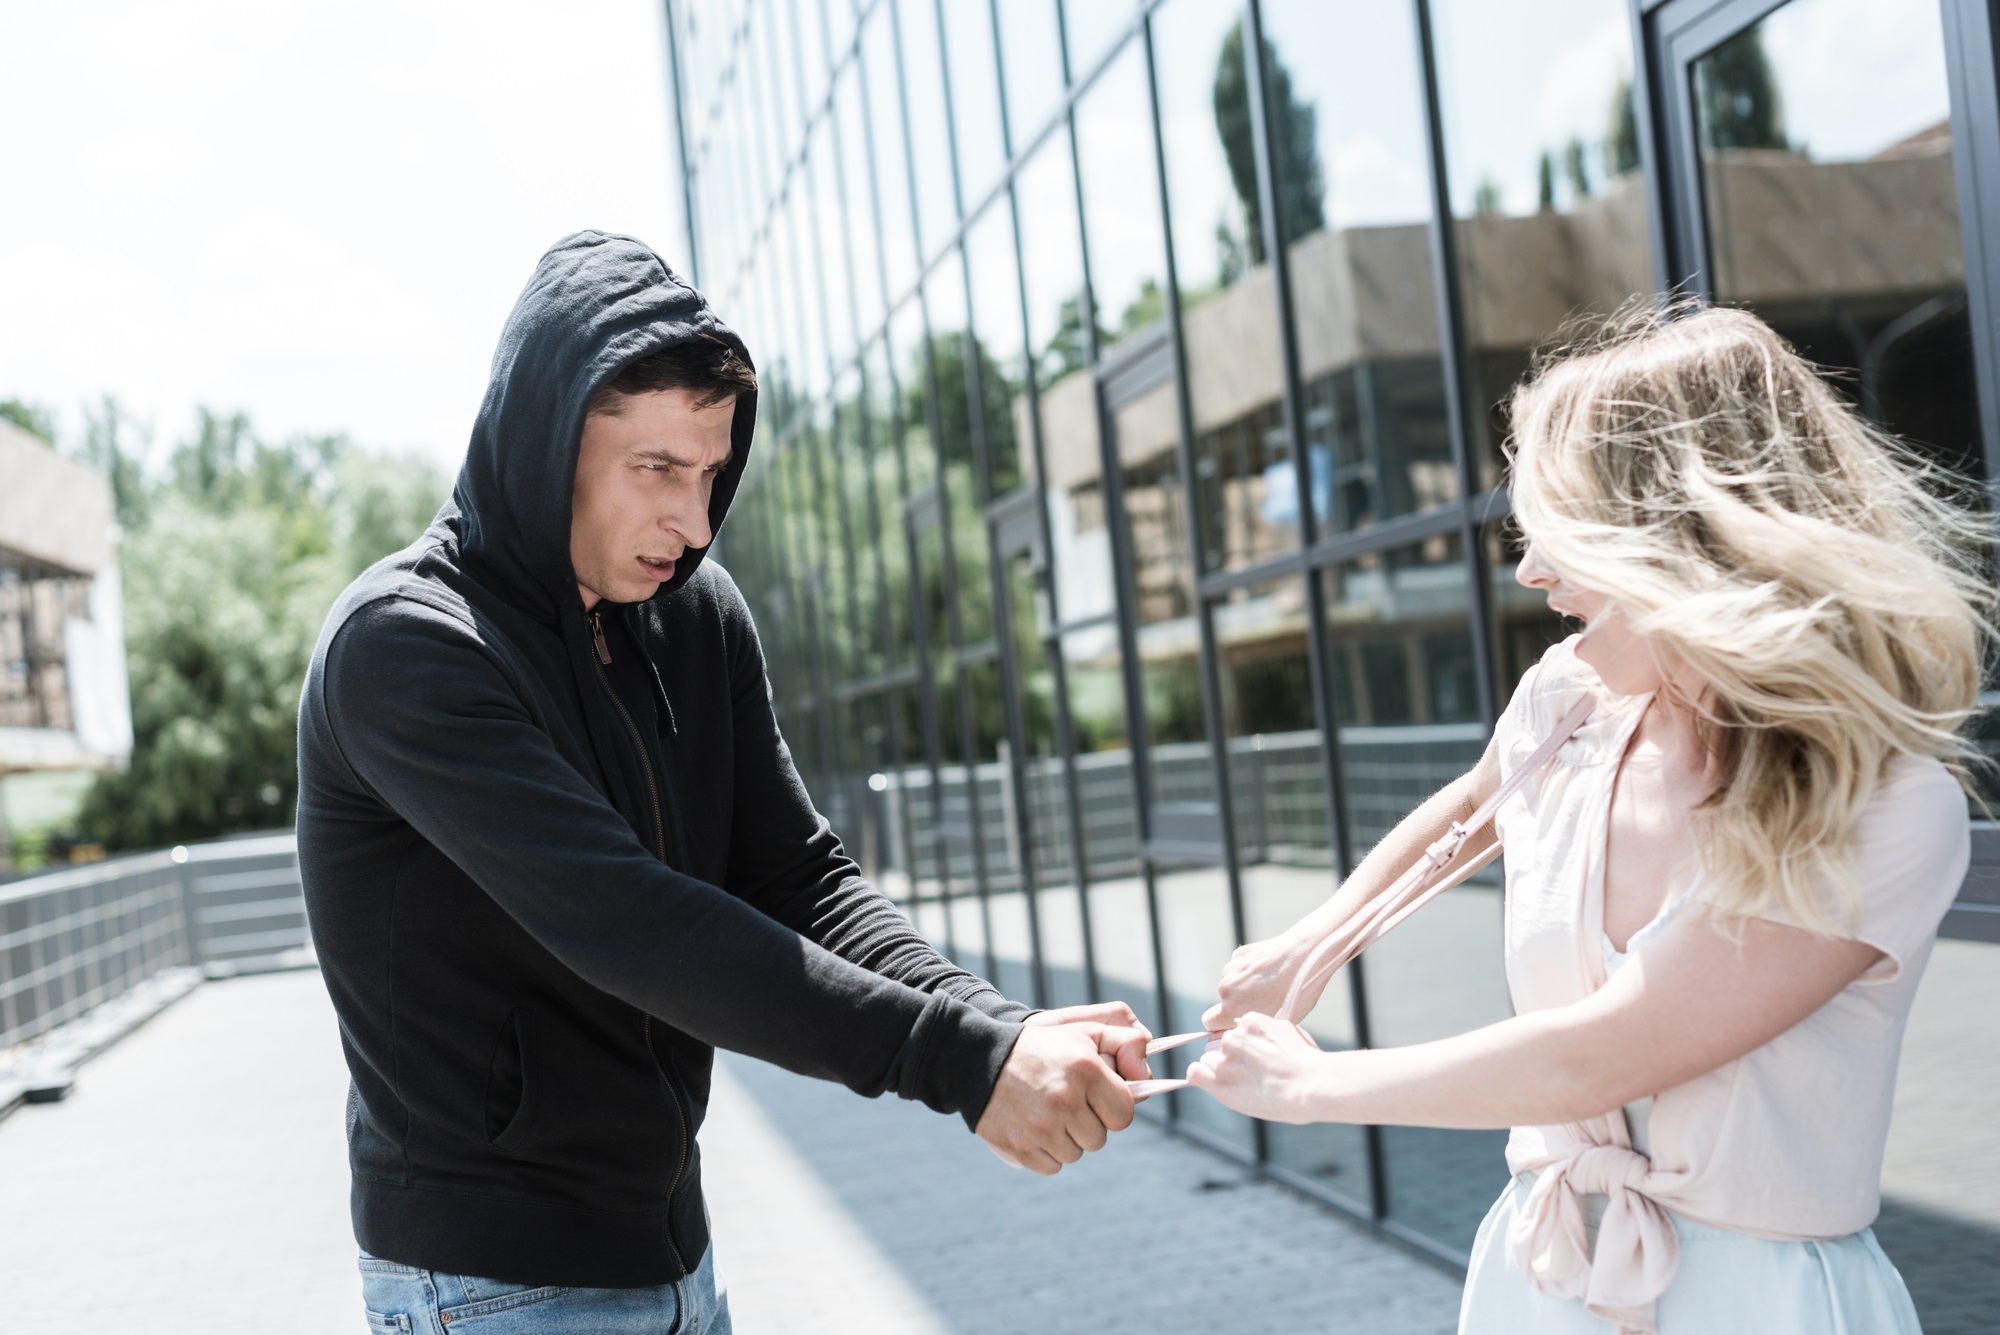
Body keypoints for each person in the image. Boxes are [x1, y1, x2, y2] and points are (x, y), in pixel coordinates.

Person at [297, 231, 1150, 1335]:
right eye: (654, 471)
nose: (692, 525)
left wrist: (994, 1024)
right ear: (542, 441)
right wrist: (965, 1063)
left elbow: (798, 878)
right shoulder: (406, 649)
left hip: (677, 1261)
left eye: (709, 477)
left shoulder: (691, 615)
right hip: (489, 1285)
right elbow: (631, 921)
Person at [1188, 302, 1990, 1334]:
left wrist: (1312, 1088)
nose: (1528, 572)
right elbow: (1472, 806)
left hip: (1759, 1305)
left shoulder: (1887, 809)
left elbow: (1604, 1054)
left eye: (1559, 532)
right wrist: (1309, 947)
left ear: (1682, 539)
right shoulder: (1568, 703)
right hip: (1541, 1272)